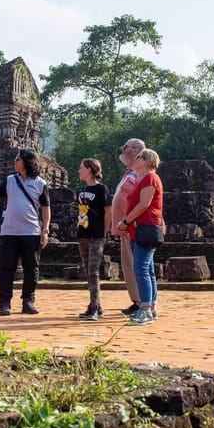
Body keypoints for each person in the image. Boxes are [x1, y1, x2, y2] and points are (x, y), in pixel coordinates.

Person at [0, 148, 51, 316]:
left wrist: (45, 230)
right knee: (7, 269)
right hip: (10, 231)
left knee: (31, 268)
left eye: (18, 159)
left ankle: (28, 301)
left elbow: (46, 208)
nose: (15, 161)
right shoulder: (9, 180)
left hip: (31, 231)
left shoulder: (40, 184)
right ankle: (4, 303)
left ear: (27, 162)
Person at [117, 148, 164, 326]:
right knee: (148, 269)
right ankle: (151, 307)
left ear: (147, 161)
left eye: (138, 157)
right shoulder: (142, 180)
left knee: (141, 269)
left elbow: (144, 204)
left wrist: (126, 221)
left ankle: (145, 310)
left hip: (146, 228)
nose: (135, 159)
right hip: (139, 229)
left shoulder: (151, 178)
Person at [111, 138, 146, 315]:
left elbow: (140, 201)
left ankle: (144, 303)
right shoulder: (130, 172)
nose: (123, 149)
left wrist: (127, 221)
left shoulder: (140, 173)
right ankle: (137, 301)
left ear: (135, 151)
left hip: (131, 225)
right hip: (124, 227)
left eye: (126, 146)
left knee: (137, 264)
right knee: (128, 265)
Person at [76, 158, 111, 321]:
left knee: (93, 271)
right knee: (87, 271)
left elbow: (108, 211)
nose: (79, 170)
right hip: (83, 233)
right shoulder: (81, 191)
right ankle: (97, 304)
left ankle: (94, 307)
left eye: (81, 168)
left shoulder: (101, 189)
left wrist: (103, 232)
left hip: (96, 235)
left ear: (90, 170)